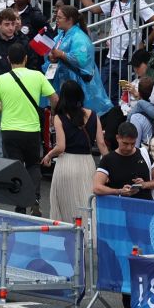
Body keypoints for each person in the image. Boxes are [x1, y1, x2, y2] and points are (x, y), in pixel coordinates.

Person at [0, 40, 53, 177]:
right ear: (26, 58)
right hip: (32, 130)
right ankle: (34, 196)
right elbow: (55, 99)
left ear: (8, 59)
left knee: (13, 167)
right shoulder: (38, 76)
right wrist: (53, 113)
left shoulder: (0, 79)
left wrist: (5, 106)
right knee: (33, 165)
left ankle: (16, 197)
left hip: (9, 130)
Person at [43, 79, 101, 224]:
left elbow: (61, 146)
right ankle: (89, 239)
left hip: (66, 164)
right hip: (87, 164)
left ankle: (67, 239)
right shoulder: (93, 115)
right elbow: (101, 144)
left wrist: (49, 155)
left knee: (64, 206)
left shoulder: (59, 118)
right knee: (87, 204)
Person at [92, 122, 154, 199]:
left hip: (145, 206)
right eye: (125, 143)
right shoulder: (108, 159)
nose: (129, 147)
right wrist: (119, 191)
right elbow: (97, 188)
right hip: (120, 207)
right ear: (117, 138)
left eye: (133, 143)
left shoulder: (144, 154)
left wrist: (145, 184)